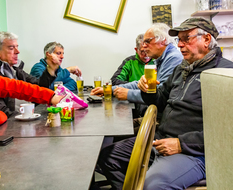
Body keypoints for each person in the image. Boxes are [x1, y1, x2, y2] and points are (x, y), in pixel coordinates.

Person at [97, 17, 233, 190]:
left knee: (153, 185)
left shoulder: (224, 74)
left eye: (186, 39)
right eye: (179, 40)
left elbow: (226, 131)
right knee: (107, 157)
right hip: (159, 140)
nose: (180, 45)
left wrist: (181, 143)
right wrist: (149, 90)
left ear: (206, 39)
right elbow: (160, 101)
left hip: (193, 151)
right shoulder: (183, 68)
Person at [91, 23, 183, 105]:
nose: (144, 45)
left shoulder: (173, 58)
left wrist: (128, 94)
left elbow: (158, 94)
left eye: (148, 41)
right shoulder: (160, 58)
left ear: (163, 40)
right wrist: (109, 89)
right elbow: (138, 84)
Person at [0, 31, 56, 117]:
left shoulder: (15, 68)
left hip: (29, 116)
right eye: (11, 48)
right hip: (15, 123)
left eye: (17, 47)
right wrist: (27, 118)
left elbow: (38, 86)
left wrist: (50, 71)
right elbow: (0, 111)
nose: (18, 51)